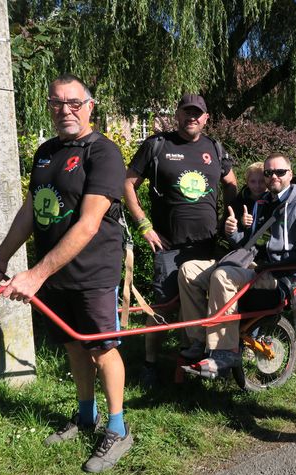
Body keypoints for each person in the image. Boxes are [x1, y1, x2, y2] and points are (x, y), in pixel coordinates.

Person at [0, 74, 132, 473]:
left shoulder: (104, 153)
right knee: (72, 347)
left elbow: (90, 223)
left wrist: (35, 274)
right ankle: (85, 416)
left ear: (90, 106)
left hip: (93, 271)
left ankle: (118, 428)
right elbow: (31, 210)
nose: (66, 110)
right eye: (58, 103)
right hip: (54, 272)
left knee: (102, 348)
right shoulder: (46, 152)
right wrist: (1, 258)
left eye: (74, 103)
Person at [178, 153, 296, 377]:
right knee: (188, 270)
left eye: (280, 172)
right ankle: (197, 340)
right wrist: (232, 233)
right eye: (268, 172)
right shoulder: (265, 203)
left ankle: (225, 351)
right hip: (253, 264)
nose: (273, 176)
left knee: (223, 276)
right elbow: (248, 244)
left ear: (290, 174)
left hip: (279, 276)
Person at [124, 94, 237, 387]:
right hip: (168, 246)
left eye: (198, 113)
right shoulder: (158, 145)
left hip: (207, 245)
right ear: (177, 115)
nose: (192, 117)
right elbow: (127, 184)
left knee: (202, 303)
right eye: (187, 112)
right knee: (162, 307)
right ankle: (150, 363)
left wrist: (232, 219)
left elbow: (231, 183)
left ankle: (195, 359)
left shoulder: (214, 148)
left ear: (206, 118)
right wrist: (144, 225)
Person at [225, 161, 267, 236]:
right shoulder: (238, 202)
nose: (257, 186)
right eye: (253, 181)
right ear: (247, 183)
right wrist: (241, 222)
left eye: (262, 181)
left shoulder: (273, 200)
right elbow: (230, 228)